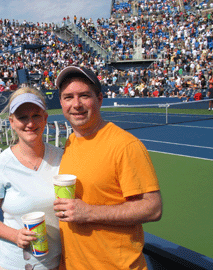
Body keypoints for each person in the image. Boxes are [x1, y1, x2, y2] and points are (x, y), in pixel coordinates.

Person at [53, 66, 162, 270]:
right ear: (61, 103)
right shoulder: (69, 143)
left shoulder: (125, 145)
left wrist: (89, 213)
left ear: (99, 99)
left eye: (84, 95)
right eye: (68, 97)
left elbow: (153, 208)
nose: (76, 104)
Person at [0, 87, 63, 270]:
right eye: (22, 117)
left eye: (36, 115)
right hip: (12, 264)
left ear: (45, 118)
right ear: (11, 122)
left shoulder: (62, 158)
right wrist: (15, 235)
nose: (30, 123)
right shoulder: (0, 164)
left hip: (56, 264)